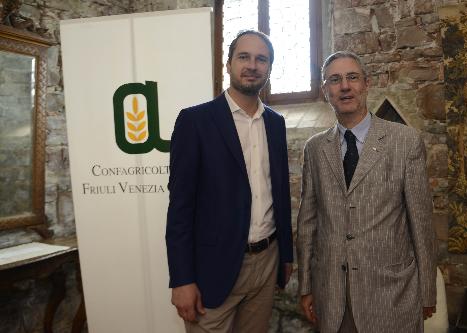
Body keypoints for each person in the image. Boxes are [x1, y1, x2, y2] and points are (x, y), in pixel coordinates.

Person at [296, 51, 437, 333]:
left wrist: (427, 292)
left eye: (352, 77)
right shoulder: (314, 149)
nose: (344, 86)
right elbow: (308, 223)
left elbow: (421, 224)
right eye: (334, 80)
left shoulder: (404, 142)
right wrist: (306, 286)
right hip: (334, 298)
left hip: (393, 296)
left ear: (366, 83)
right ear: (325, 91)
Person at [166, 30, 293, 333]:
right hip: (213, 267)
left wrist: (286, 255)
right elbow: (180, 208)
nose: (252, 65)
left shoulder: (275, 124)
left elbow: (281, 194)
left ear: (269, 68)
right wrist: (182, 279)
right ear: (228, 64)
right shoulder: (195, 122)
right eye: (244, 57)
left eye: (261, 59)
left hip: (266, 262)